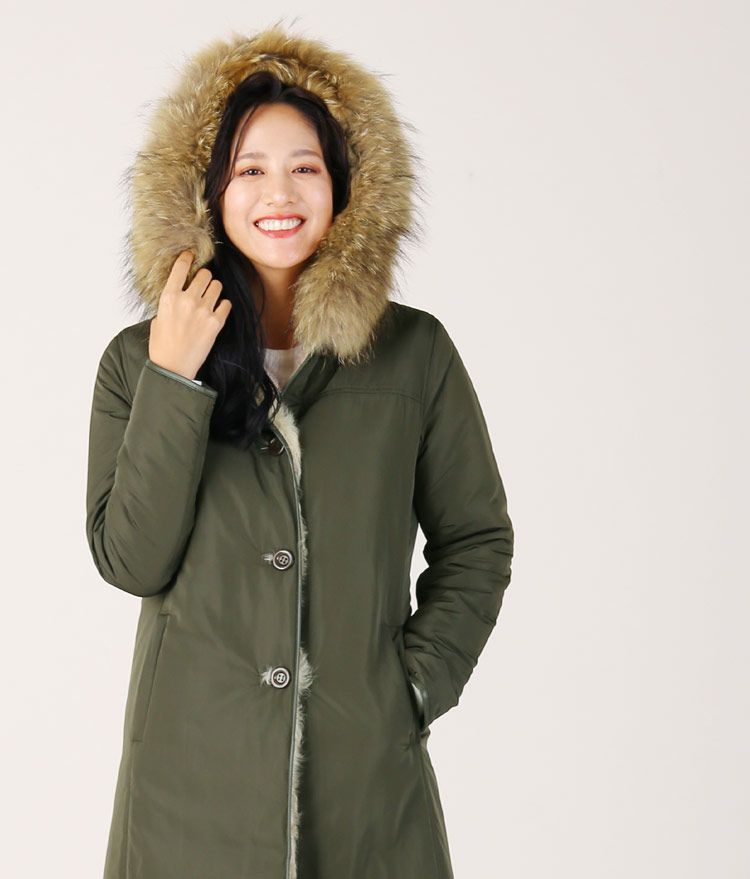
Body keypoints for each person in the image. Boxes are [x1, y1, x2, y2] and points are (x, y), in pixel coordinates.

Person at [85, 24, 515, 879]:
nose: (277, 193)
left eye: (305, 167)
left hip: (361, 787)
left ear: (346, 186)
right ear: (205, 192)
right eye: (248, 169)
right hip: (188, 785)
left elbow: (476, 539)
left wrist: (411, 687)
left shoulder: (414, 354)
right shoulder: (138, 361)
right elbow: (131, 559)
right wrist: (174, 379)